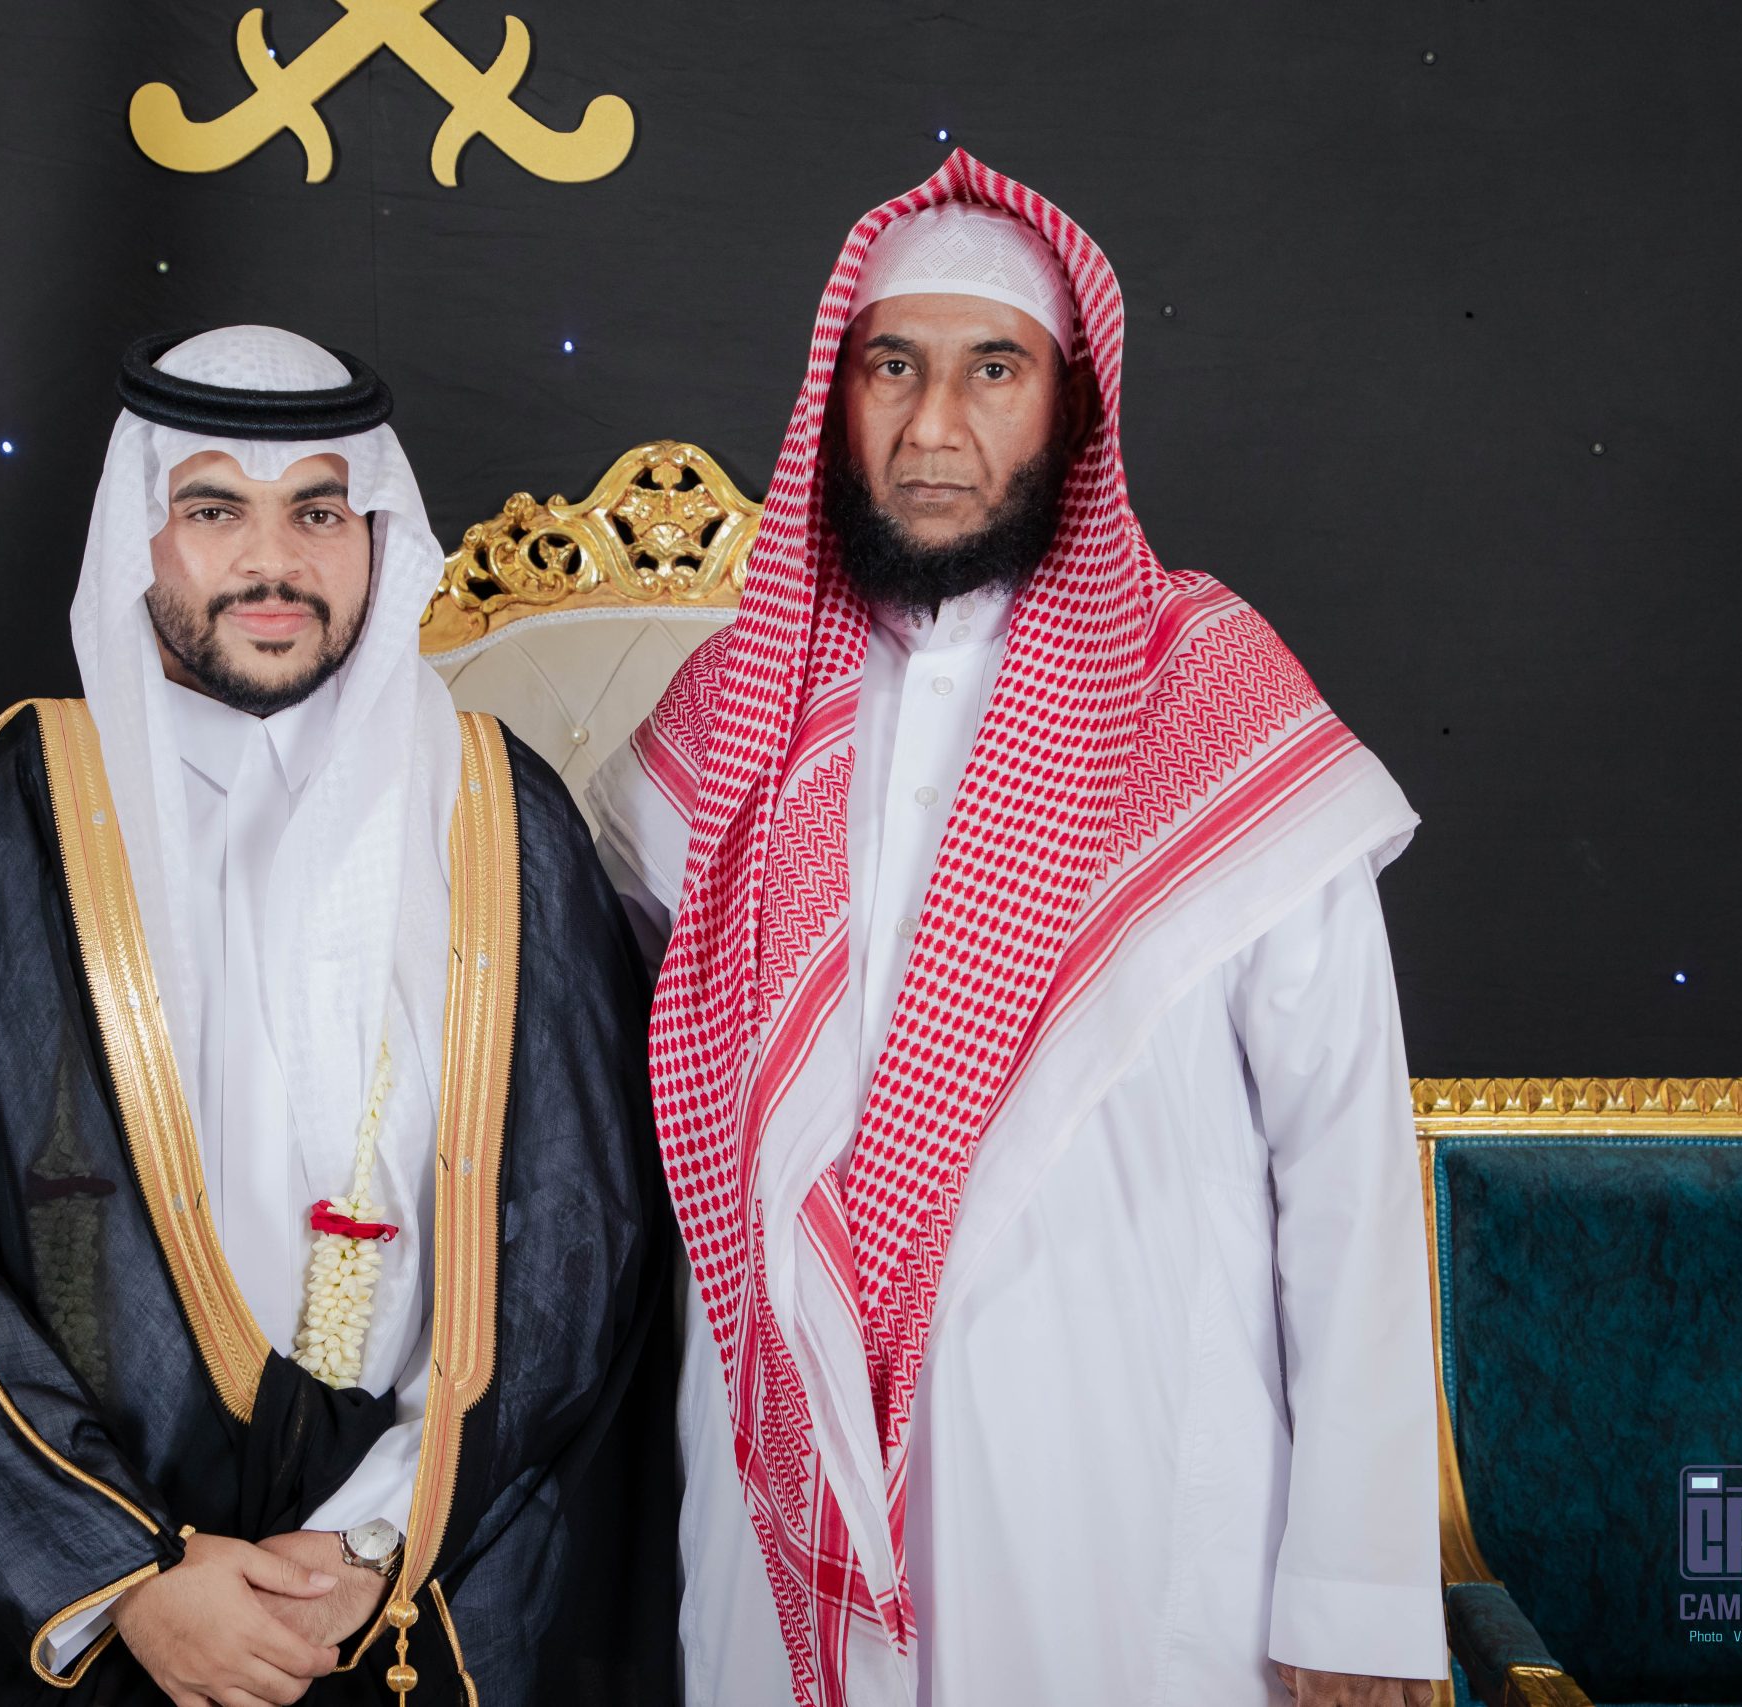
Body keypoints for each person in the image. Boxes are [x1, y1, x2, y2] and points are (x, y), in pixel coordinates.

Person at [587, 153, 1443, 1705]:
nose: (933, 427)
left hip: (1126, 1491)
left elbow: (1346, 1160)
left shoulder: (1210, 697)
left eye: (993, 370)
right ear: (835, 398)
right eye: (892, 369)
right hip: (783, 1494)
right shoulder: (729, 718)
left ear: (1072, 411)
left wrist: (1354, 1589)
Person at [0, 326, 677, 1707]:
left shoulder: (500, 816)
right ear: (139, 537)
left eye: (318, 513)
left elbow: (585, 1218)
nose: (275, 562)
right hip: (102, 1611)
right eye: (215, 511)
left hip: (414, 1590)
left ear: (375, 536)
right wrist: (126, 1575)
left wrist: (377, 1538)